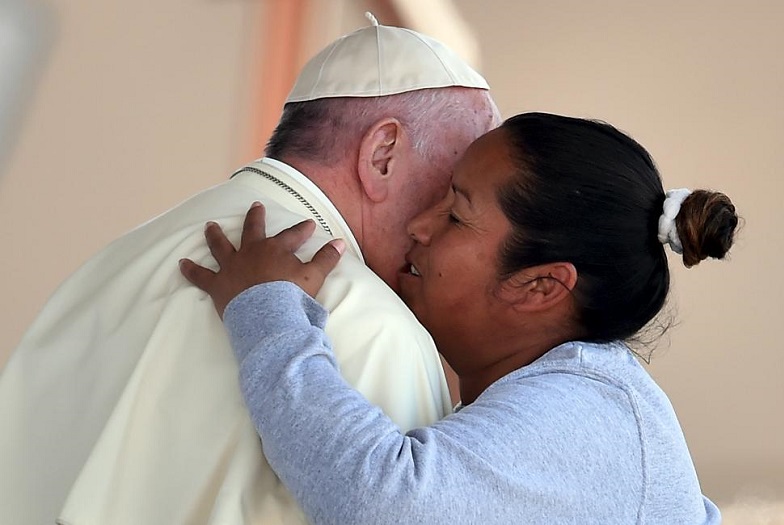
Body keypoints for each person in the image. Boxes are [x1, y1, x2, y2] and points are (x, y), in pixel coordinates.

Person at [0, 16, 499, 525]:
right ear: (382, 155)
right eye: (453, 189)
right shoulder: (366, 321)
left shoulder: (122, 255)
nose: (440, 226)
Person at [180, 112, 738, 524]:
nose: (420, 226)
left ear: (541, 286)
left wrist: (267, 311)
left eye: (455, 213)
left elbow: (384, 503)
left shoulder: (595, 414)